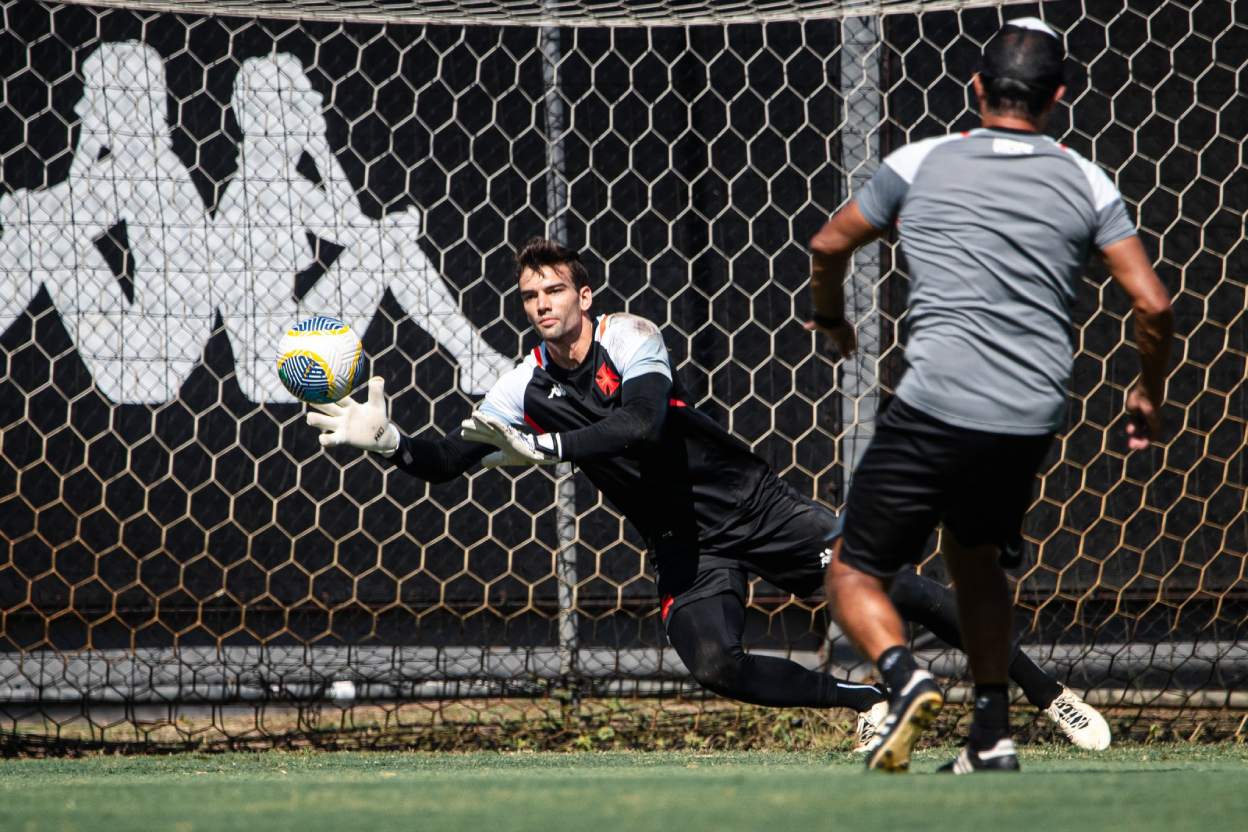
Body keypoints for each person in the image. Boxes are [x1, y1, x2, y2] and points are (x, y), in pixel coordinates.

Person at [305, 237, 1110, 751]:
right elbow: (455, 456)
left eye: (554, 290)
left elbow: (644, 427)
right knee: (714, 664)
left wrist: (544, 447)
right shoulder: (523, 384)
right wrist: (394, 445)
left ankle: (1047, 694)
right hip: (684, 545)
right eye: (529, 295)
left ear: (585, 297)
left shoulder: (632, 337)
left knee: (892, 587)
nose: (542, 303)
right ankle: (872, 699)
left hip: (754, 507)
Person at [806, 18, 1172, 772]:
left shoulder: (923, 161)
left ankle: (904, 679)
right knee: (975, 560)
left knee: (850, 570)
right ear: (1059, 97)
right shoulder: (1086, 179)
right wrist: (1145, 391)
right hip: (1027, 414)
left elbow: (827, 244)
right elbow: (1154, 305)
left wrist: (831, 319)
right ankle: (992, 735)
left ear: (977, 89)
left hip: (936, 403)